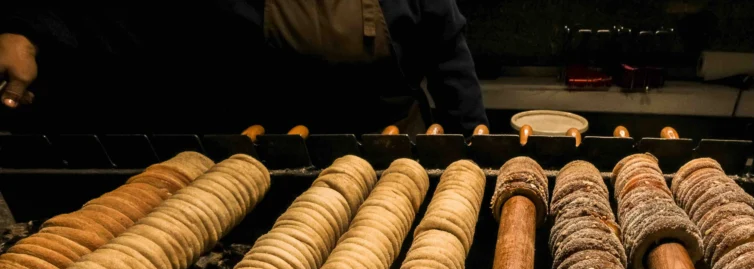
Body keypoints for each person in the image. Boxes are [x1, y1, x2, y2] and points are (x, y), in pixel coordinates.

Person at [0, 1, 487, 135]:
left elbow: (448, 51)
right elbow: (115, 16)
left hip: (392, 153)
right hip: (268, 163)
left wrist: (474, 146)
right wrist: (26, 31)